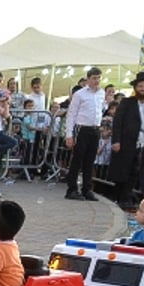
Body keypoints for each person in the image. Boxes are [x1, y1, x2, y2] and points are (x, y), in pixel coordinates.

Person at [108, 72, 144, 209]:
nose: (143, 89)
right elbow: (118, 122)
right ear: (135, 88)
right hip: (127, 141)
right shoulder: (127, 103)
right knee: (124, 169)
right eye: (140, 86)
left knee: (136, 171)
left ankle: (127, 197)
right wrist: (116, 141)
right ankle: (121, 197)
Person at [64, 67, 105, 200]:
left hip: (95, 129)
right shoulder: (80, 94)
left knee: (90, 160)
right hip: (81, 128)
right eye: (94, 78)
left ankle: (87, 189)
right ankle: (72, 189)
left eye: (98, 78)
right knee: (77, 159)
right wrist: (69, 134)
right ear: (88, 79)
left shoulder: (101, 93)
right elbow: (71, 114)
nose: (96, 81)